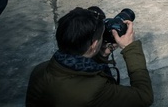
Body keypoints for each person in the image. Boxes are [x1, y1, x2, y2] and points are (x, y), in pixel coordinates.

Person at [25, 6, 153, 106]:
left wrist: (100, 56)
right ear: (94, 44)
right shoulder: (95, 91)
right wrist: (129, 48)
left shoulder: (40, 70)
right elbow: (144, 96)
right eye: (102, 35)